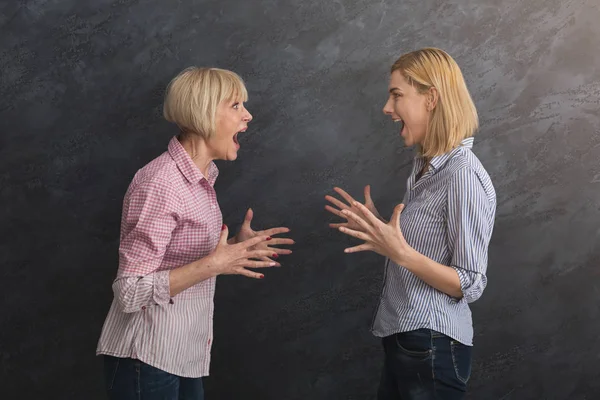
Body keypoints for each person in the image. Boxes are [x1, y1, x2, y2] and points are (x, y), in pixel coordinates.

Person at [96, 67, 294, 400]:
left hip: (182, 355)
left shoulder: (202, 180)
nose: (248, 115)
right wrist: (215, 264)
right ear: (204, 113)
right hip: (146, 357)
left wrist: (234, 249)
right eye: (235, 106)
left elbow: (180, 257)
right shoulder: (160, 184)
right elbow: (128, 292)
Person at [325, 47, 496, 399]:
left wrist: (399, 251)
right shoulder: (426, 169)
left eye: (397, 95)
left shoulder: (462, 174)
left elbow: (470, 283)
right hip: (409, 341)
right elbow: (421, 247)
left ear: (431, 98)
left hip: (432, 344)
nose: (387, 108)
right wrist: (379, 228)